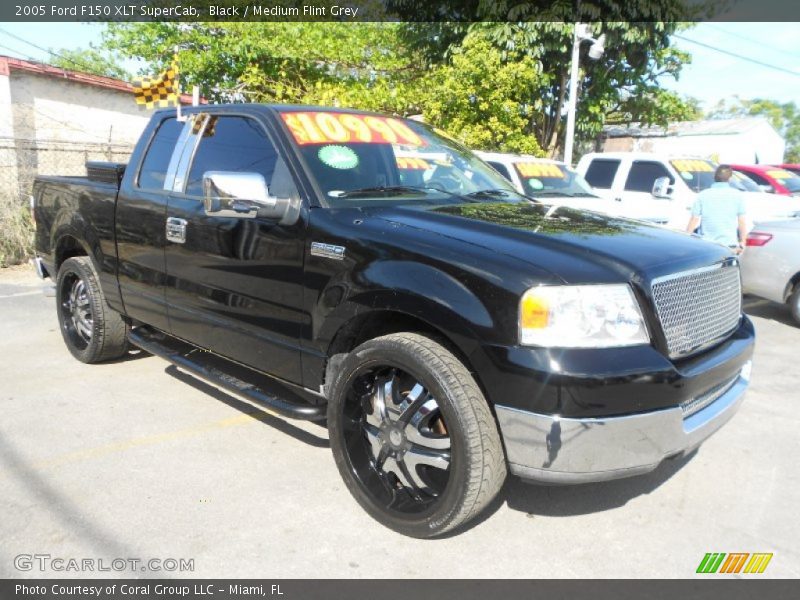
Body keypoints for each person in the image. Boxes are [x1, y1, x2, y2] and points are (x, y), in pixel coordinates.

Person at [686, 165, 747, 254]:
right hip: (729, 245)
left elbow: (694, 219)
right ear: (730, 178)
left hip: (707, 245)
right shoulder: (737, 195)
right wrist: (743, 242)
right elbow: (741, 221)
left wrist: (686, 239)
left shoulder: (702, 195)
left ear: (714, 177)